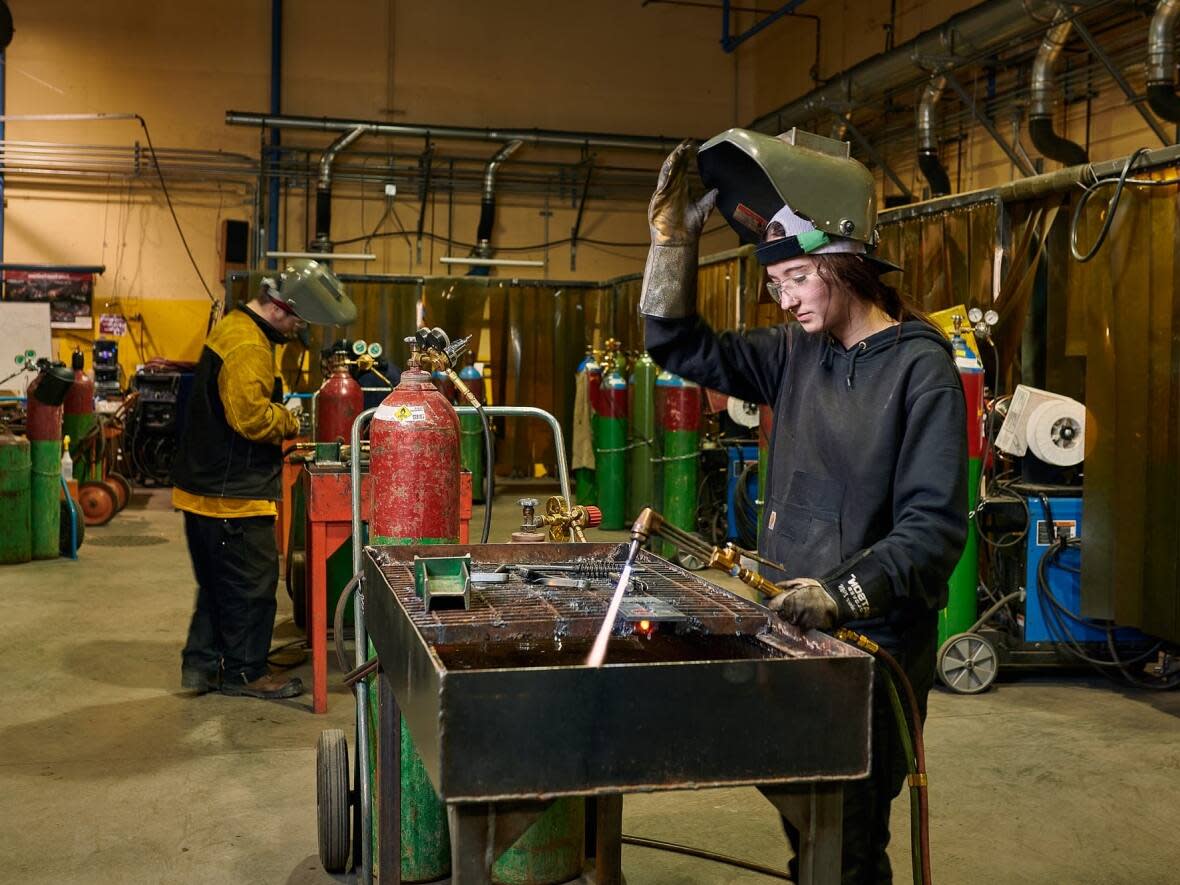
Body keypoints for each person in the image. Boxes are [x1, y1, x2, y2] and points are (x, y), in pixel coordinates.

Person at [641, 129, 967, 883]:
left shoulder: (922, 369)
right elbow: (676, 345)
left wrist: (841, 593)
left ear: (842, 264)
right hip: (790, 628)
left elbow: (933, 529)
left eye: (795, 279)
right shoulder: (795, 352)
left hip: (872, 646)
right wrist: (669, 248)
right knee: (806, 825)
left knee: (847, 841)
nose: (784, 299)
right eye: (778, 284)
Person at [172, 259, 357, 700]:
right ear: (280, 308)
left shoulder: (235, 326)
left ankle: (201, 666)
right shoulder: (250, 347)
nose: (297, 330)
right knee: (252, 587)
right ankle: (246, 672)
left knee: (218, 584)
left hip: (206, 489)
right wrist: (289, 420)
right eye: (298, 321)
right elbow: (251, 418)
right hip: (230, 495)